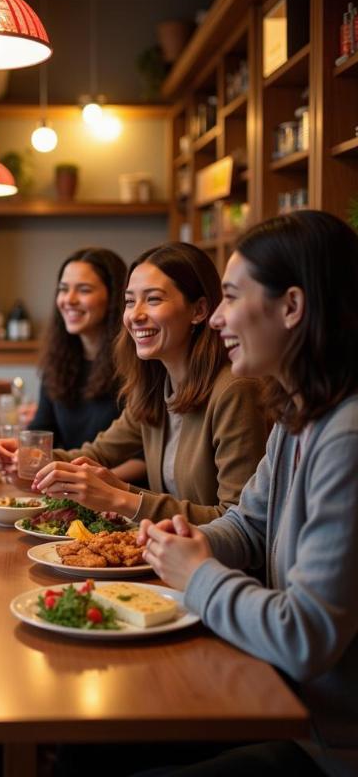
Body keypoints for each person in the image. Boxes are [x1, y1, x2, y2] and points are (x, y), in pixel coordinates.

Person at [138, 210, 358, 776]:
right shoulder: (298, 414)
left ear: (291, 306)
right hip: (284, 702)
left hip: (325, 743)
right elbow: (250, 524)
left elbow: (305, 636)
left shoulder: (347, 438)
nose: (216, 318)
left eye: (231, 297)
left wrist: (198, 574)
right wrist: (185, 540)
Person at [0, 242, 267, 524]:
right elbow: (95, 454)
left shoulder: (234, 390)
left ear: (199, 310)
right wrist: (28, 458)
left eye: (154, 299)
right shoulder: (156, 387)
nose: (135, 315)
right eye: (130, 301)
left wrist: (119, 495)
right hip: (167, 556)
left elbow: (239, 522)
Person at [27, 247, 146, 484]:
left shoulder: (138, 362)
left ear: (114, 297)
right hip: (74, 487)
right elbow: (41, 430)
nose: (69, 300)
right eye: (63, 289)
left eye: (83, 290)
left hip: (123, 496)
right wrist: (17, 453)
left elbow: (145, 458)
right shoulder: (58, 360)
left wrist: (90, 484)